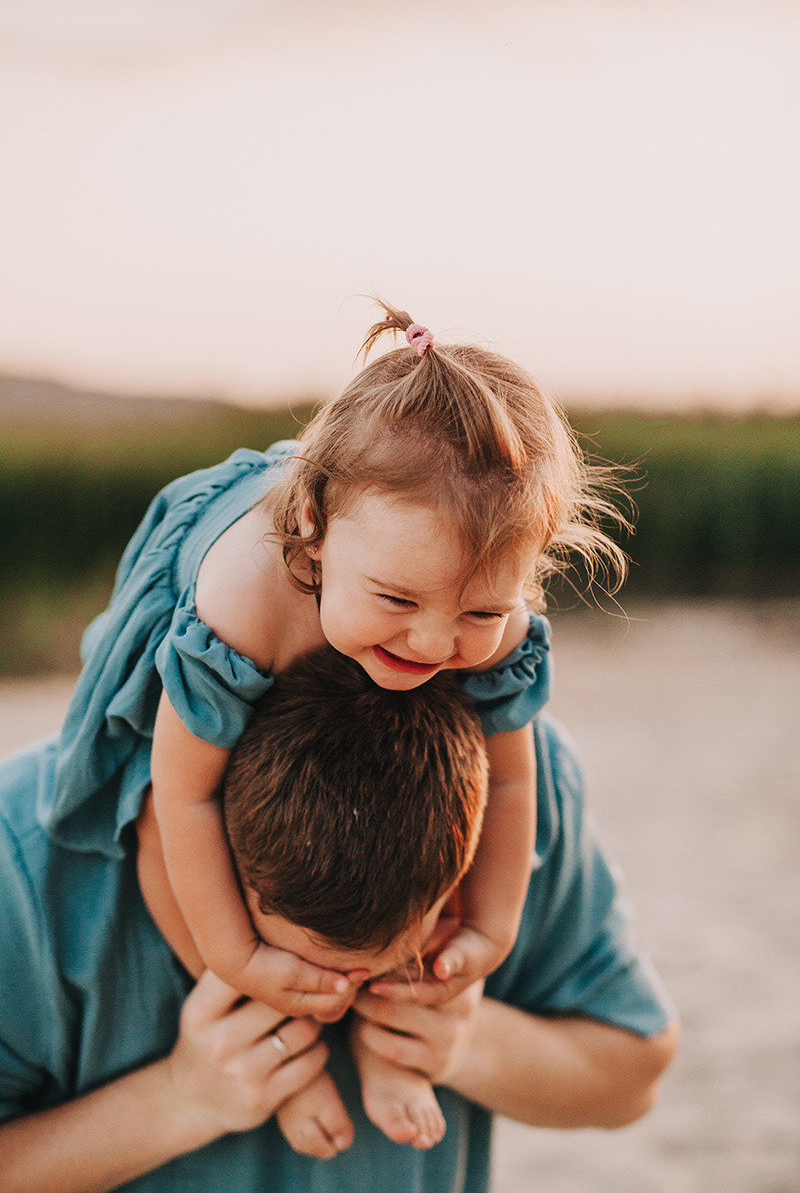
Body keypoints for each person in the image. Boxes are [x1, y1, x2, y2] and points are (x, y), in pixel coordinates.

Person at [45, 299, 630, 1148]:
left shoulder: (478, 616)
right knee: (145, 819)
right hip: (208, 662)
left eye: (480, 608)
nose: (433, 641)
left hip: (373, 558)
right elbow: (186, 803)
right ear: (315, 538)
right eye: (396, 601)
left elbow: (507, 779)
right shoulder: (241, 609)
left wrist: (490, 931)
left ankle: (394, 1041)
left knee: (430, 827)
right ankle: (275, 1056)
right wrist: (242, 961)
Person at [0, 648, 678, 1193]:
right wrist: (179, 1101)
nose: (338, 996)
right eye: (307, 961)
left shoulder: (515, 792)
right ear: (219, 856)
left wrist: (469, 1045)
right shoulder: (20, 856)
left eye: (382, 970)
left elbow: (635, 1081)